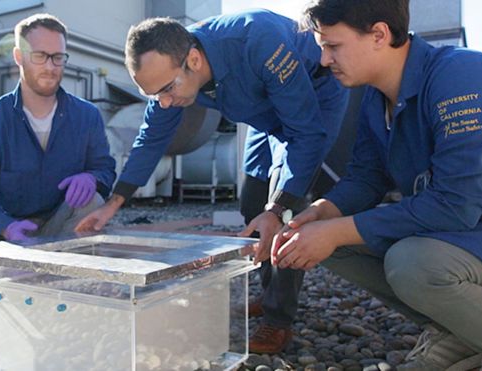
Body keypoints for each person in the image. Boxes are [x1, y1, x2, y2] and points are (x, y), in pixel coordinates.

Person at [76, 9, 349, 354]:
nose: (165, 102)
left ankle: (279, 320)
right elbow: (152, 136)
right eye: (153, 96)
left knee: (284, 212)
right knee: (252, 204)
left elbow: (304, 133)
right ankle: (268, 294)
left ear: (193, 59)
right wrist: (112, 204)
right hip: (261, 117)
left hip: (309, 99)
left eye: (167, 90)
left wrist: (279, 206)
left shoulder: (259, 39)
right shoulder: (171, 63)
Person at [271, 0, 482, 369]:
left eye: (333, 46)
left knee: (413, 263)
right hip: (469, 237)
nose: (324, 60)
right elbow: (365, 177)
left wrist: (337, 230)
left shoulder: (462, 77)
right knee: (328, 241)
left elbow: (456, 204)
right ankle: (460, 333)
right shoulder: (376, 97)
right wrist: (317, 216)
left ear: (379, 35)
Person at [0, 13, 115, 244]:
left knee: (93, 202)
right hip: (7, 233)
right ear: (19, 57)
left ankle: (74, 270)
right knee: (8, 275)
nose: (50, 67)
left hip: (63, 226)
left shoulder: (87, 116)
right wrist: (5, 227)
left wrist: (92, 178)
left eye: (58, 57)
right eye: (40, 56)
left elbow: (105, 168)